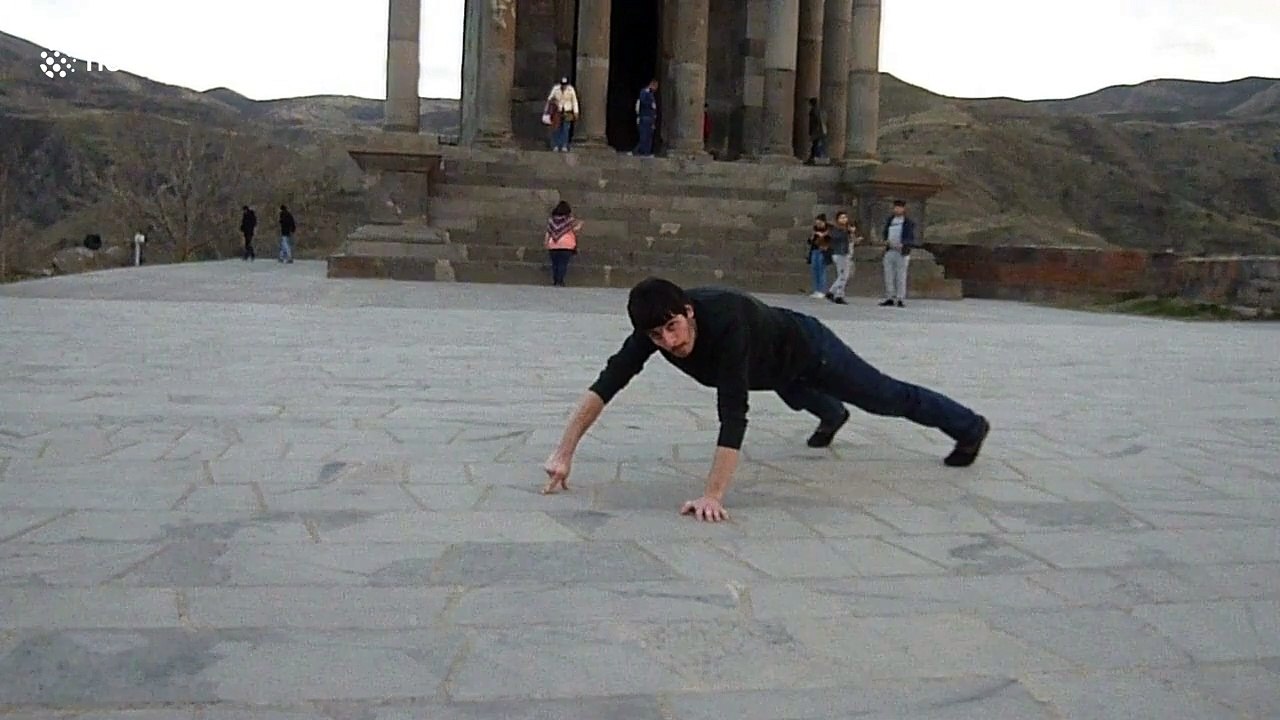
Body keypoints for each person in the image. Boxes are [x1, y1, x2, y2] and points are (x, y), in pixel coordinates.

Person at [541, 277, 991, 521]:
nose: (668, 342)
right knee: (789, 387)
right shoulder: (653, 332)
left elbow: (733, 413)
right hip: (771, 367)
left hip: (809, 351)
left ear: (689, 312)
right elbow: (606, 385)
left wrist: (713, 495)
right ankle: (831, 413)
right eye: (656, 336)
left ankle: (968, 426)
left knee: (885, 397)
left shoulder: (728, 321)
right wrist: (564, 453)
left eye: (672, 329)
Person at [880, 199, 916, 306]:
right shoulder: (890, 220)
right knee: (888, 275)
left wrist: (903, 243)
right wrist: (886, 240)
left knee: (901, 275)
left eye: (899, 207)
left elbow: (911, 238)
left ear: (903, 209)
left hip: (902, 251)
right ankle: (890, 296)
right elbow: (885, 233)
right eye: (895, 207)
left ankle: (900, 297)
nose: (897, 209)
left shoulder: (908, 222)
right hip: (890, 249)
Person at [545, 200, 582, 287]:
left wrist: (546, 242)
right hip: (567, 245)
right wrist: (579, 225)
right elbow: (575, 230)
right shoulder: (570, 220)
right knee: (563, 264)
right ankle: (560, 281)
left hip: (553, 244)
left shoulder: (551, 220)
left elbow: (548, 232)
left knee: (555, 264)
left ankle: (555, 280)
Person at [824, 210, 858, 304]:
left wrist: (854, 236)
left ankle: (832, 292)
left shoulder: (847, 229)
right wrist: (848, 232)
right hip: (840, 253)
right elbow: (837, 237)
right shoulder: (836, 229)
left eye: (845, 218)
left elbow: (851, 241)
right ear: (837, 219)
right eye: (842, 218)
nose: (844, 220)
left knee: (844, 275)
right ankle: (838, 294)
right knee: (843, 275)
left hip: (847, 253)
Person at [546, 77, 579, 152]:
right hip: (558, 111)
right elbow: (550, 98)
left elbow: (574, 101)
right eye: (562, 85)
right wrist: (554, 102)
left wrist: (576, 112)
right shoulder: (555, 89)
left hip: (567, 111)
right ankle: (556, 145)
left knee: (566, 128)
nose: (564, 86)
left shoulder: (571, 90)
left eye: (565, 85)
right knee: (556, 128)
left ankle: (564, 145)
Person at [807, 214, 830, 298]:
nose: (818, 224)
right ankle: (816, 290)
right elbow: (809, 241)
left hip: (823, 251)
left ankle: (822, 290)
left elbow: (831, 240)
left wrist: (823, 236)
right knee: (814, 270)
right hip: (814, 250)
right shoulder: (815, 229)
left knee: (821, 270)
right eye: (817, 223)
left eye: (819, 223)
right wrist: (813, 236)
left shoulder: (829, 229)